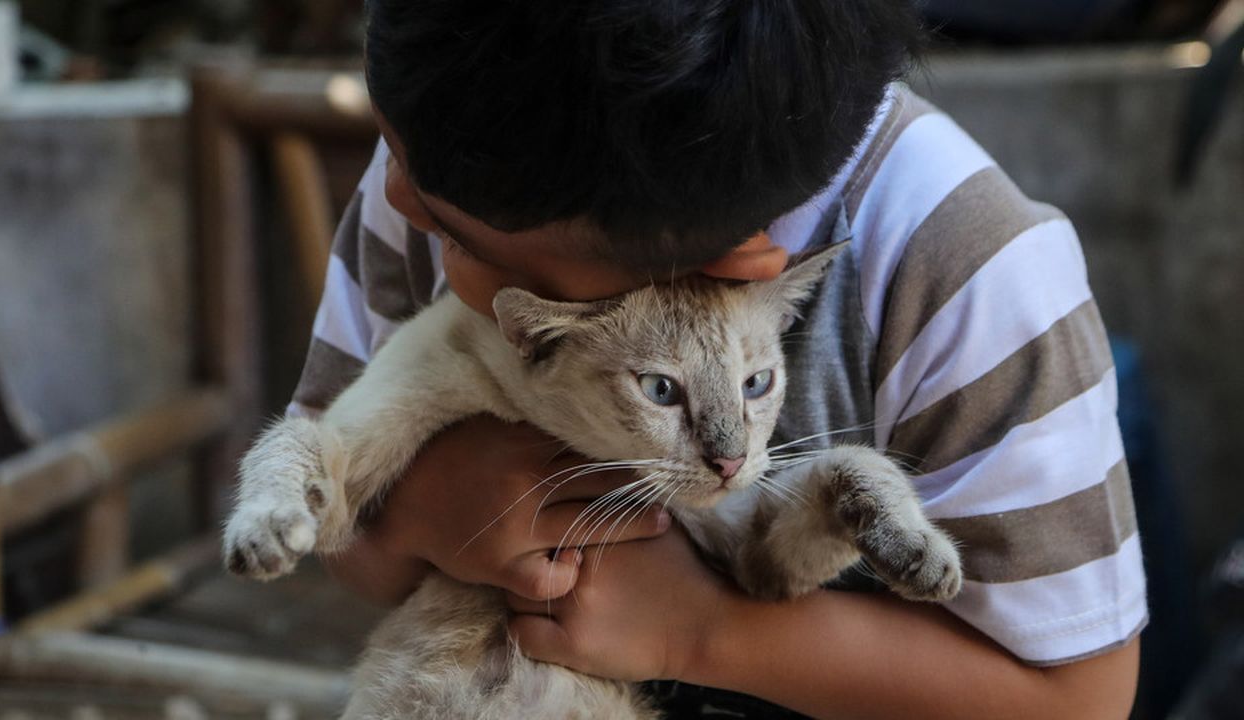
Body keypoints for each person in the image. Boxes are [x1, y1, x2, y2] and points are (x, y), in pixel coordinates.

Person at [289, 1, 1146, 717]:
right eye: (390, 151)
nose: (399, 198)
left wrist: (700, 631)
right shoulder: (455, 156)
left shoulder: (971, 269)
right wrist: (419, 513)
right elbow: (324, 530)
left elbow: (1080, 699)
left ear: (737, 265)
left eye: (457, 238)